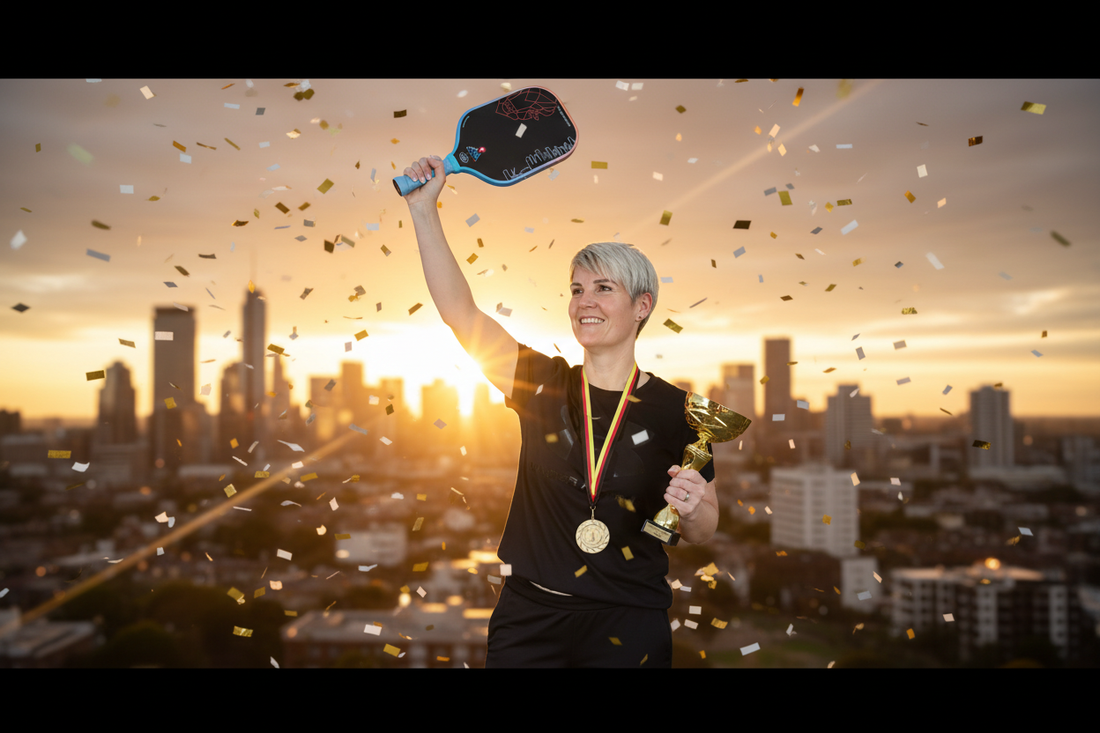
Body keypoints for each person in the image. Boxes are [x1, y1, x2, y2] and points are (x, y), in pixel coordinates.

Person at [401, 155, 717, 668]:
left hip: (628, 623)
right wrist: (422, 210)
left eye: (603, 288)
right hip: (529, 620)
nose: (583, 301)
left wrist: (694, 506)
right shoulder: (542, 383)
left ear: (642, 306)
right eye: (576, 289)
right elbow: (462, 315)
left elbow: (703, 530)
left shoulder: (679, 412)